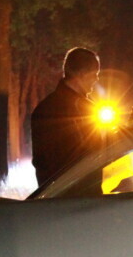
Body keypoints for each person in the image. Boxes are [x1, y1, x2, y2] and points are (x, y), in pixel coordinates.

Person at [30, 47, 101, 188]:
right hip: (81, 194)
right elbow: (95, 150)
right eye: (95, 74)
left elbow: (41, 162)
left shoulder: (43, 108)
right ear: (82, 74)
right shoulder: (81, 109)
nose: (97, 79)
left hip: (55, 196)